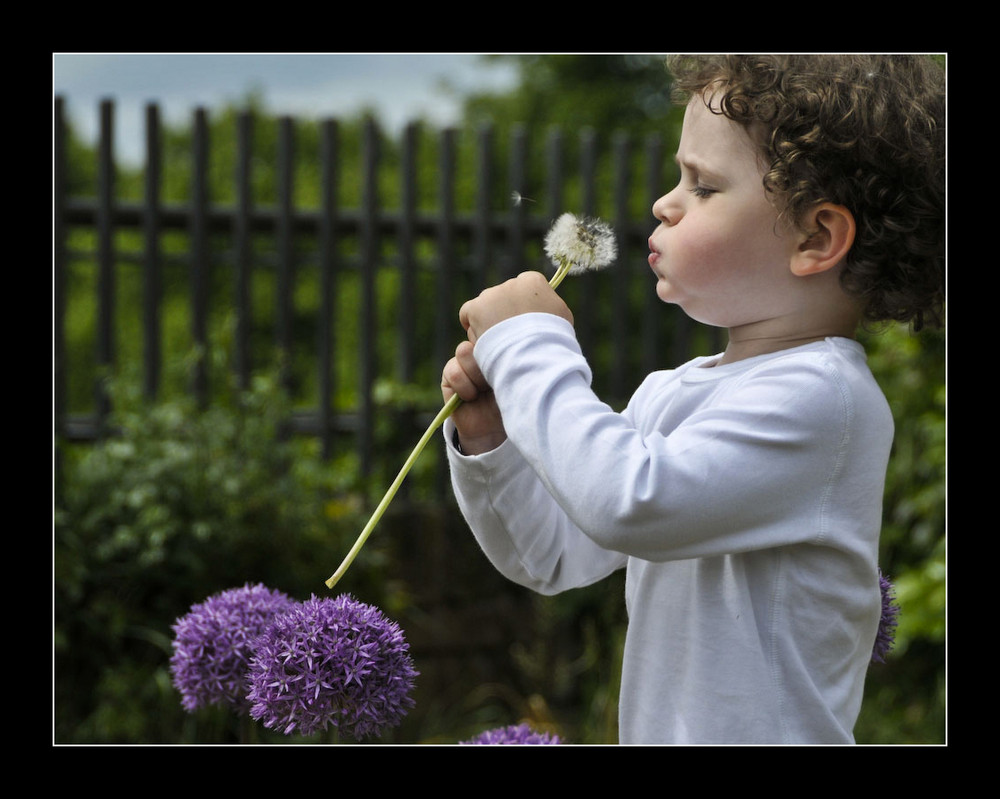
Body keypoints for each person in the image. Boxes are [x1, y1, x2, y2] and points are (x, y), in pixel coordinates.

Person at [440, 54, 945, 745]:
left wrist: (531, 344)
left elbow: (626, 499)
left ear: (816, 237)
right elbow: (551, 552)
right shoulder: (676, 392)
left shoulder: (825, 400)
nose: (663, 203)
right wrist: (492, 437)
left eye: (703, 186)